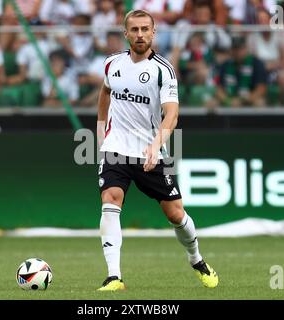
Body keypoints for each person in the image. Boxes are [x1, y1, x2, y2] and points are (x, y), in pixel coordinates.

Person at [96, 9, 218, 291]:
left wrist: (156, 145)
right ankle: (114, 276)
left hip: (151, 152)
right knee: (110, 200)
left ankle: (196, 259)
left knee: (176, 214)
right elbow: (105, 92)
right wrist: (101, 130)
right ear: (125, 34)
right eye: (134, 29)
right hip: (116, 149)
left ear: (153, 33)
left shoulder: (163, 70)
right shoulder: (111, 64)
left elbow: (172, 115)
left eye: (144, 29)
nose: (140, 34)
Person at [216, 36, 267, 107]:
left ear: (246, 49)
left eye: (240, 49)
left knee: (259, 103)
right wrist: (228, 101)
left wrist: (243, 101)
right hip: (230, 98)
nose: (237, 52)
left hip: (249, 99)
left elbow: (261, 89)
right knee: (211, 104)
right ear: (231, 50)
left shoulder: (256, 64)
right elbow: (219, 89)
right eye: (235, 49)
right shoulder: (225, 65)